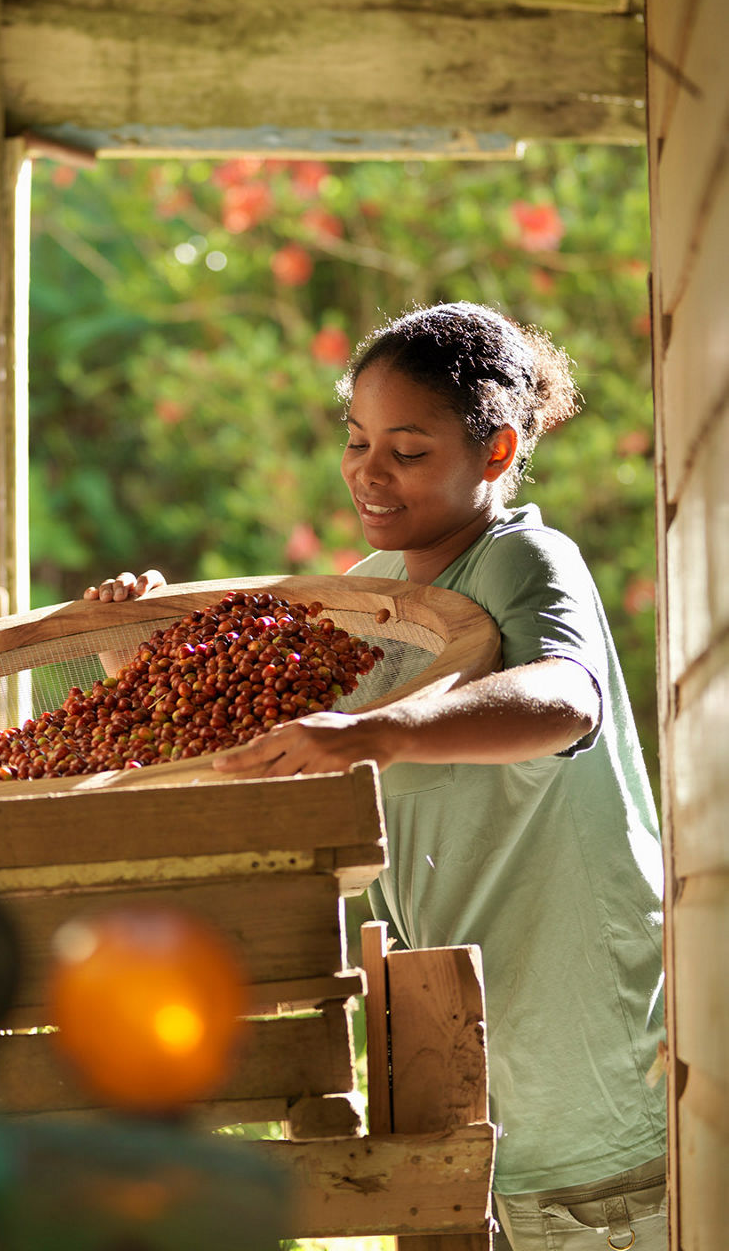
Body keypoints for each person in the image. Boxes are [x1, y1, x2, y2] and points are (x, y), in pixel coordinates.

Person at [84, 301, 667, 1250]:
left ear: (495, 450)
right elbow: (248, 746)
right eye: (356, 441)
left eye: (406, 448)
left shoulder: (524, 560)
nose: (368, 471)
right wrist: (131, 659)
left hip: (591, 1103)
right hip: (464, 1107)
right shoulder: (373, 595)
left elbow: (565, 701)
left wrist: (379, 735)